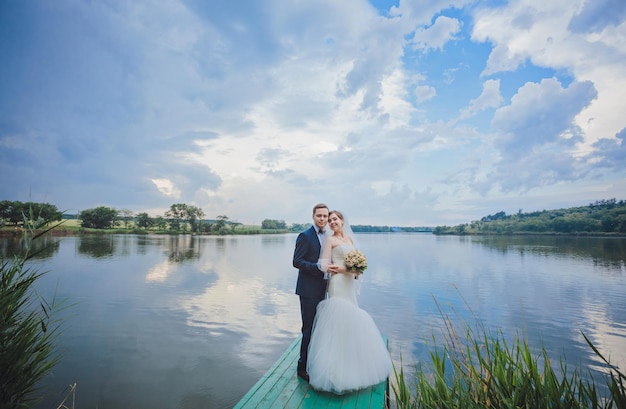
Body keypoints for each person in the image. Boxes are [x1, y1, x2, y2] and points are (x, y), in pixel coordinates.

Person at [306, 210, 392, 394]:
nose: (332, 223)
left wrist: (353, 269)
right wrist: (339, 269)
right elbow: (323, 264)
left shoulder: (351, 241)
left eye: (334, 219)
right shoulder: (330, 241)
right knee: (338, 321)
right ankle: (334, 372)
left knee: (351, 321)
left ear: (342, 220)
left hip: (348, 284)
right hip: (337, 284)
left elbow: (357, 271)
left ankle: (353, 366)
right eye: (329, 221)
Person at [292, 203, 330, 382]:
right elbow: (297, 261)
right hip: (308, 290)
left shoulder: (329, 236)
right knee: (308, 329)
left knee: (319, 329)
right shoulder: (305, 236)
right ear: (313, 216)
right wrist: (317, 267)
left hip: (324, 289)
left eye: (325, 216)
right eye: (319, 216)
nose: (322, 219)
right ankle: (301, 368)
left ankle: (313, 362)